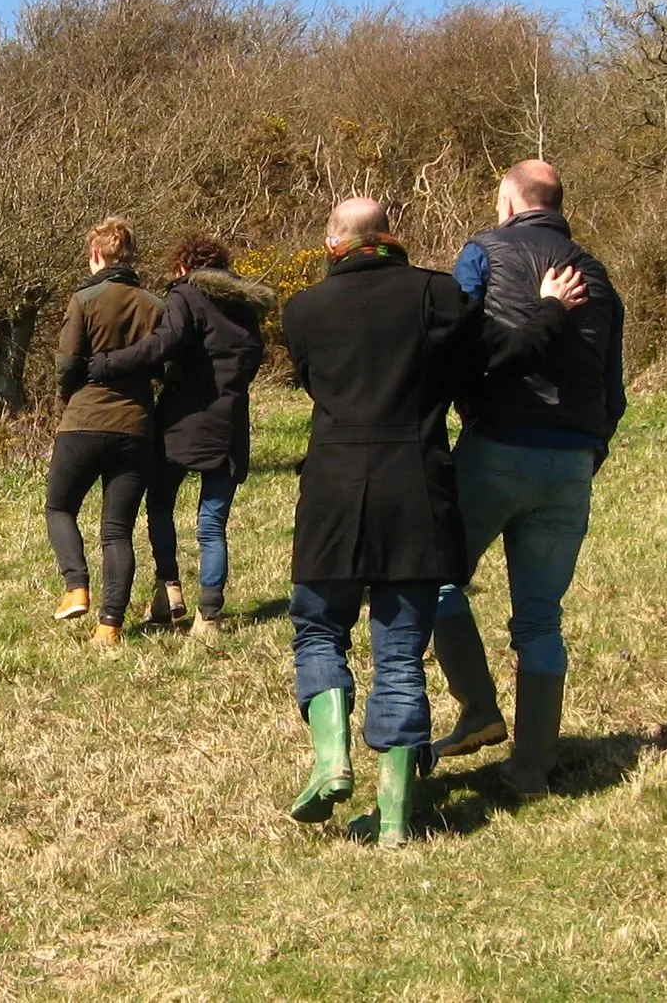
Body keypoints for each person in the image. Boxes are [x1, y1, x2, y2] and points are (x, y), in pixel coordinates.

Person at [275, 196, 586, 846]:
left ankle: (331, 761)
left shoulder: (301, 310)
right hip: (416, 488)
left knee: (318, 629)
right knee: (399, 655)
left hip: (333, 489)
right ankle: (394, 817)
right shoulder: (437, 296)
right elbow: (505, 354)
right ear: (391, 236)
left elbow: (316, 382)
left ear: (332, 244)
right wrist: (551, 308)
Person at [428, 158, 626, 797]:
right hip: (572, 458)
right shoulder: (599, 275)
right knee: (541, 619)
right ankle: (533, 767)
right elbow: (613, 389)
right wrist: (588, 449)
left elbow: (456, 343)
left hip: (498, 444)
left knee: (434, 577)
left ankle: (478, 708)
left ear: (510, 203)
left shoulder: (484, 252)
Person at [87, 231, 273, 636]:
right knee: (212, 524)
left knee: (160, 504)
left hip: (182, 420)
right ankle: (209, 614)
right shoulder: (246, 307)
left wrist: (109, 364)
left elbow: (163, 344)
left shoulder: (186, 294)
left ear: (184, 266)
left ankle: (169, 586)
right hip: (230, 423)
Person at [46, 216, 166, 646]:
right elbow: (164, 365)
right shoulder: (155, 306)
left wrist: (65, 397)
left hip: (84, 420)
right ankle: (110, 625)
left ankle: (76, 585)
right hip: (136, 426)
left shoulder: (85, 299)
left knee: (59, 507)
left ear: (96, 254)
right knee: (117, 530)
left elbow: (67, 361)